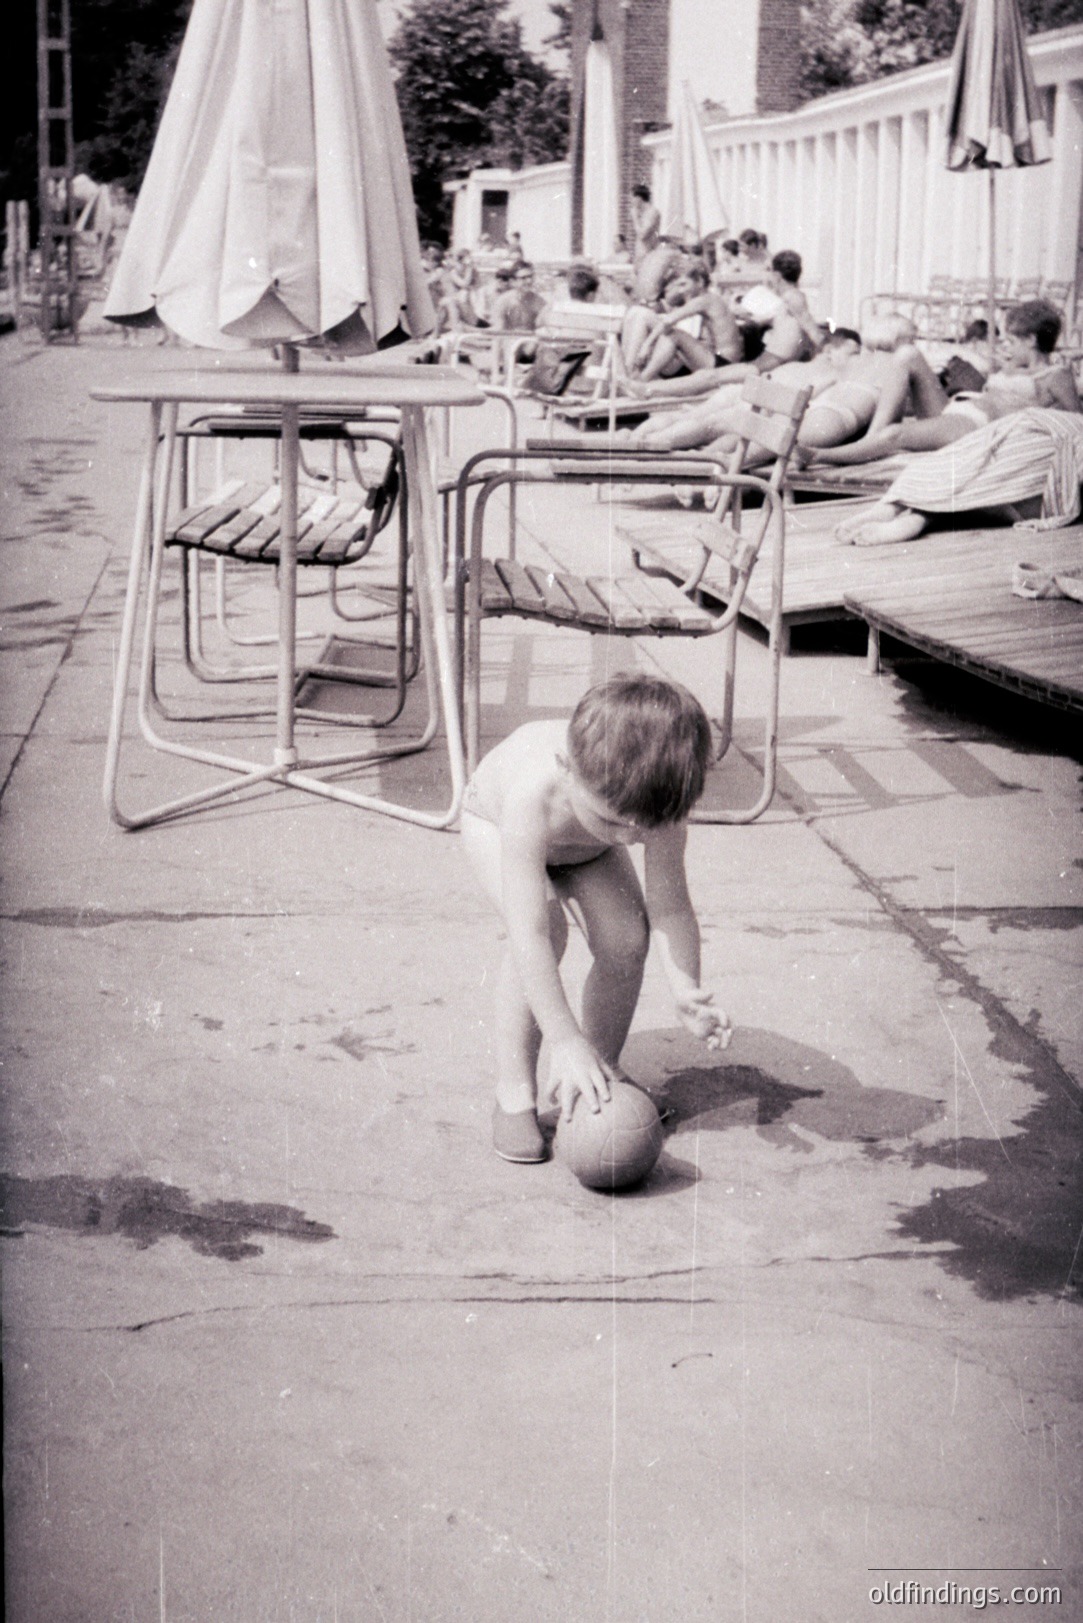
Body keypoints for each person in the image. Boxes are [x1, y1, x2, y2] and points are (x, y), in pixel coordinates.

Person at [461, 674, 732, 1164]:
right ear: (568, 769)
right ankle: (515, 1092)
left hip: (584, 846)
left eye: (641, 830)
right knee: (548, 926)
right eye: (616, 822)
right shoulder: (534, 793)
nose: (630, 839)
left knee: (628, 939)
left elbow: (670, 905)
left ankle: (601, 1070)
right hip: (495, 826)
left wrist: (685, 986)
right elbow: (530, 935)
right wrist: (564, 1039)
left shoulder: (649, 808)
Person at [812, 299, 1081, 468]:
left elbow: (1074, 425)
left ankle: (819, 456)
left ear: (1031, 341)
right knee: (908, 355)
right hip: (958, 409)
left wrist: (1032, 411)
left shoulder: (1057, 375)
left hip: (977, 426)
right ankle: (871, 439)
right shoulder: (1010, 365)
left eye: (1011, 341)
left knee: (896, 435)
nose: (1004, 347)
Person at [628, 257, 743, 382]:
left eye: (684, 284)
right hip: (718, 359)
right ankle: (641, 377)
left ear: (699, 282)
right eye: (678, 286)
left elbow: (669, 321)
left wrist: (646, 345)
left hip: (724, 364)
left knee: (674, 335)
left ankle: (643, 380)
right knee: (670, 335)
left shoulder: (705, 300)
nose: (681, 290)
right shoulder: (709, 298)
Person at [629, 183, 661, 262]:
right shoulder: (642, 213)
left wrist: (635, 218)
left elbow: (642, 235)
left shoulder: (652, 212)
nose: (631, 201)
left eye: (632, 198)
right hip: (640, 257)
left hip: (649, 257)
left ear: (638, 198)